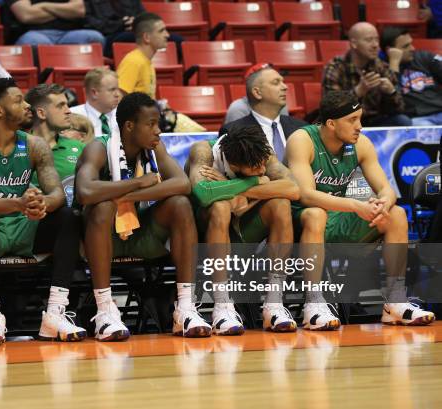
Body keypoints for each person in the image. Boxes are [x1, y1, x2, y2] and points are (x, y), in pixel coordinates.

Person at [286, 90, 435, 329]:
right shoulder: (302, 140)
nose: (360, 126)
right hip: (298, 222)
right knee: (316, 214)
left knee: (395, 214)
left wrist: (383, 203)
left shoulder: (360, 144)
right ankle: (313, 304)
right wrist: (356, 205)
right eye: (352, 120)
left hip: (339, 218)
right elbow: (306, 195)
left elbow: (386, 189)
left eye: (360, 118)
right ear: (331, 124)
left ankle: (395, 301)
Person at [0, 78, 86, 343]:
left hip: (26, 225)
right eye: (18, 100)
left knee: (68, 216)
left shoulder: (34, 145)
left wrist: (42, 204)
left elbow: (57, 194)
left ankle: (55, 312)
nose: (26, 105)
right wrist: (16, 203)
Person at [75, 92, 211, 341]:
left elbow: (182, 184)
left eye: (158, 123)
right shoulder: (98, 147)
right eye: (150, 124)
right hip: (101, 238)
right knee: (103, 207)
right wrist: (137, 182)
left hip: (140, 233)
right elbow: (84, 192)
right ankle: (105, 310)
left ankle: (185, 307)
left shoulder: (154, 148)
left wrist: (129, 195)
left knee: (180, 204)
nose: (158, 131)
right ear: (129, 126)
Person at [186, 124, 300, 332]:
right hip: (205, 234)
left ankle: (274, 304)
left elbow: (293, 188)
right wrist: (257, 183)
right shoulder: (203, 151)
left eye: (263, 166)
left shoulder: (260, 152)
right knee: (220, 207)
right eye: (255, 168)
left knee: (281, 205)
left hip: (243, 228)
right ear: (234, 163)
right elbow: (203, 193)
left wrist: (235, 189)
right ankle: (223, 306)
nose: (263, 170)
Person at [322, 22, 411, 127]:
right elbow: (331, 108)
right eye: (369, 40)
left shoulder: (381, 66)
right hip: (346, 122)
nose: (375, 45)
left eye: (377, 39)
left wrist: (391, 92)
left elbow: (400, 108)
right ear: (353, 44)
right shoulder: (335, 67)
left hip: (374, 121)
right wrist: (358, 91)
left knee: (402, 121)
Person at [222, 64, 307, 164]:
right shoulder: (233, 131)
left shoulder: (302, 127)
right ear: (257, 93)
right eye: (276, 83)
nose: (285, 87)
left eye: (283, 82)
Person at [24, 84, 86, 185]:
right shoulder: (16, 148)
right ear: (41, 113)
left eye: (67, 105)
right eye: (60, 106)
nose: (68, 111)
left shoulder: (80, 148)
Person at [380, 26, 442, 126]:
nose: (412, 48)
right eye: (405, 46)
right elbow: (391, 105)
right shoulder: (382, 69)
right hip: (418, 119)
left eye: (411, 44)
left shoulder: (422, 56)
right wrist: (394, 63)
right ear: (390, 50)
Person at [6, 0, 104, 47]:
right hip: (36, 32)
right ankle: (45, 85)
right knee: (39, 43)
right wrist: (64, 11)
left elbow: (79, 10)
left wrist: (43, 6)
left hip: (69, 32)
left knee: (95, 37)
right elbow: (27, 15)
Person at [116, 12, 169, 98]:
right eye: (161, 31)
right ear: (146, 37)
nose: (167, 35)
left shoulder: (145, 61)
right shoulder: (133, 62)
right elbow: (117, 99)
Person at [71, 67, 120, 139]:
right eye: (112, 90)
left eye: (117, 89)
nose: (117, 94)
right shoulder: (72, 117)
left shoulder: (124, 115)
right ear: (94, 93)